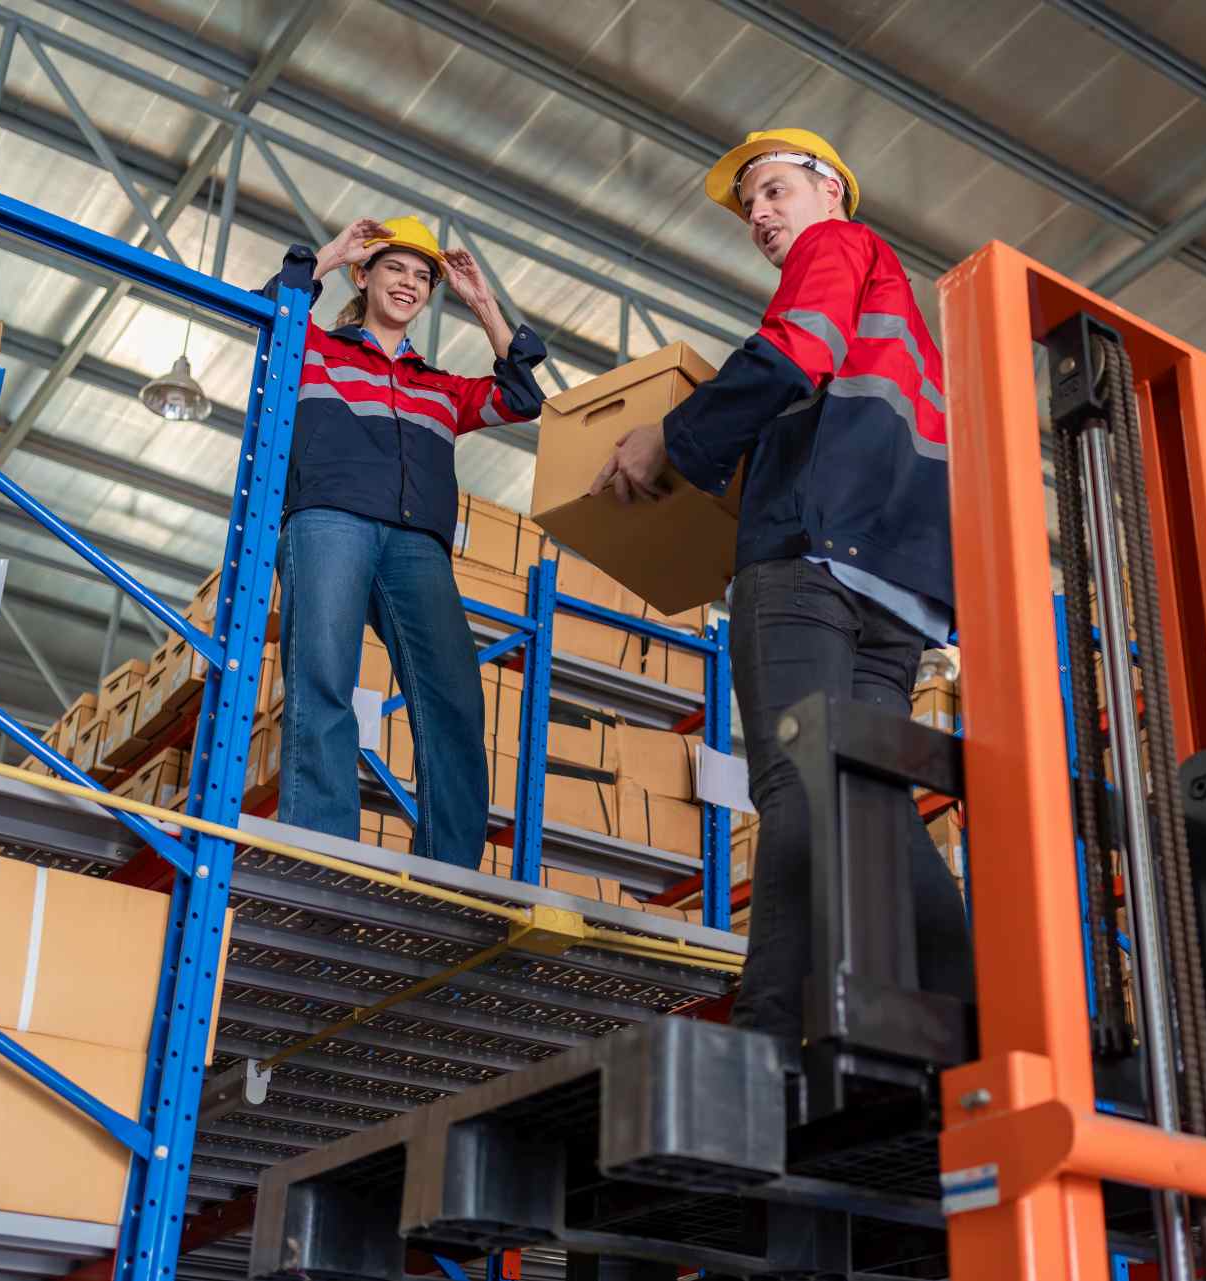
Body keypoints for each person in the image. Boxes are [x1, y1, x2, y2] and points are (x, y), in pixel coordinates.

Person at [590, 129, 975, 1041]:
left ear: (830, 188)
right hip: (897, 585)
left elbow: (790, 353)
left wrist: (670, 441)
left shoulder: (836, 248)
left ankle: (764, 1029)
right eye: (751, 206)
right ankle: (978, 1011)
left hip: (814, 560)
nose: (761, 215)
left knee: (796, 781)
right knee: (871, 802)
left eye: (773, 191)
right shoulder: (904, 319)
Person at [263, 217, 547, 864]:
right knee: (324, 678)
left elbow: (523, 396)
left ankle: (450, 870)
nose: (411, 284)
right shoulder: (316, 351)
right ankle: (320, 853)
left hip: (418, 541)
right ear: (365, 276)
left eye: (423, 277)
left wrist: (481, 301)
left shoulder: (440, 388)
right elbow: (271, 309)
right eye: (396, 268)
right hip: (328, 517)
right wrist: (333, 253)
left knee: (454, 698)